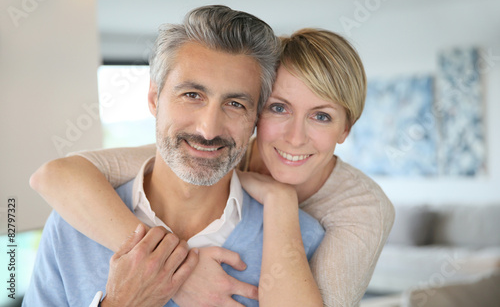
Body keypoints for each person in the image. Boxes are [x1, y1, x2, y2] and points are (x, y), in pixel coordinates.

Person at [31, 28, 395, 306]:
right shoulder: (78, 219)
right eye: (279, 108)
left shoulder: (327, 228)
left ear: (347, 128)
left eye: (321, 115)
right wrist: (172, 271)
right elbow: (54, 175)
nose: (295, 137)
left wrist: (280, 200)